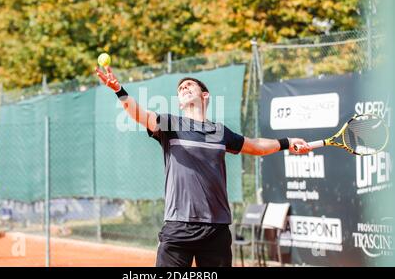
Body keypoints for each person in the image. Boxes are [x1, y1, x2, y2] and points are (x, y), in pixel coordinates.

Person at [96, 66, 311, 267]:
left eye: (189, 85)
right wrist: (119, 90)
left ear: (204, 95)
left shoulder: (219, 132)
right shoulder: (170, 124)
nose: (184, 88)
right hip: (179, 225)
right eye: (180, 88)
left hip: (216, 229)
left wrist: (287, 143)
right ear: (179, 102)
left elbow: (255, 146)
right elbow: (139, 114)